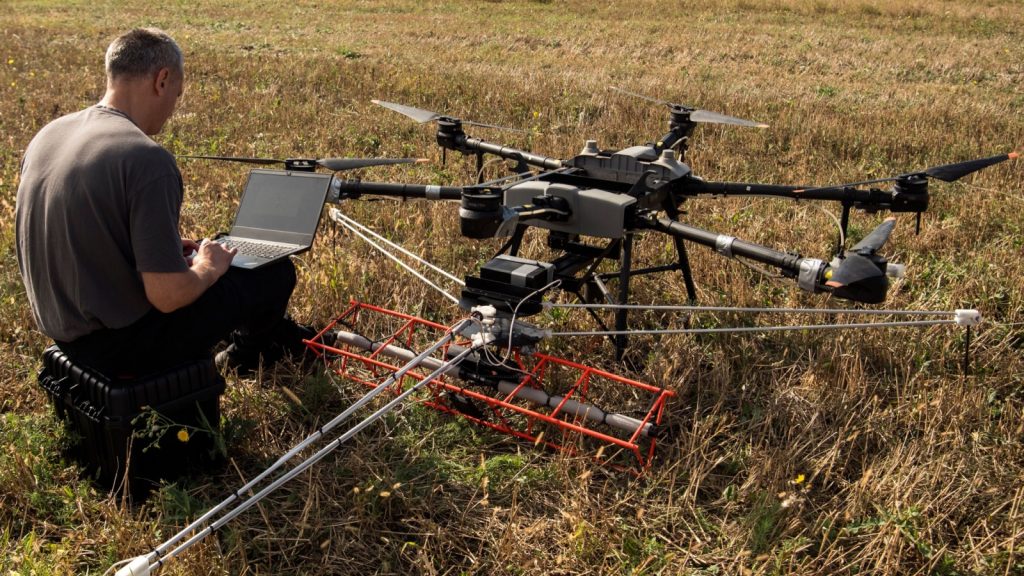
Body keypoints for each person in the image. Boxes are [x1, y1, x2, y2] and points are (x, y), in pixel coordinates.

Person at [16, 28, 313, 376]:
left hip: (63, 333)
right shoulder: (147, 159)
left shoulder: (49, 134)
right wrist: (206, 268)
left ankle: (268, 337)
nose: (173, 107)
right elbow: (167, 296)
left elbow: (90, 237)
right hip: (122, 347)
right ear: (162, 80)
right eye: (177, 93)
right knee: (271, 271)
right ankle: (250, 357)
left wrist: (170, 250)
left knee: (219, 246)